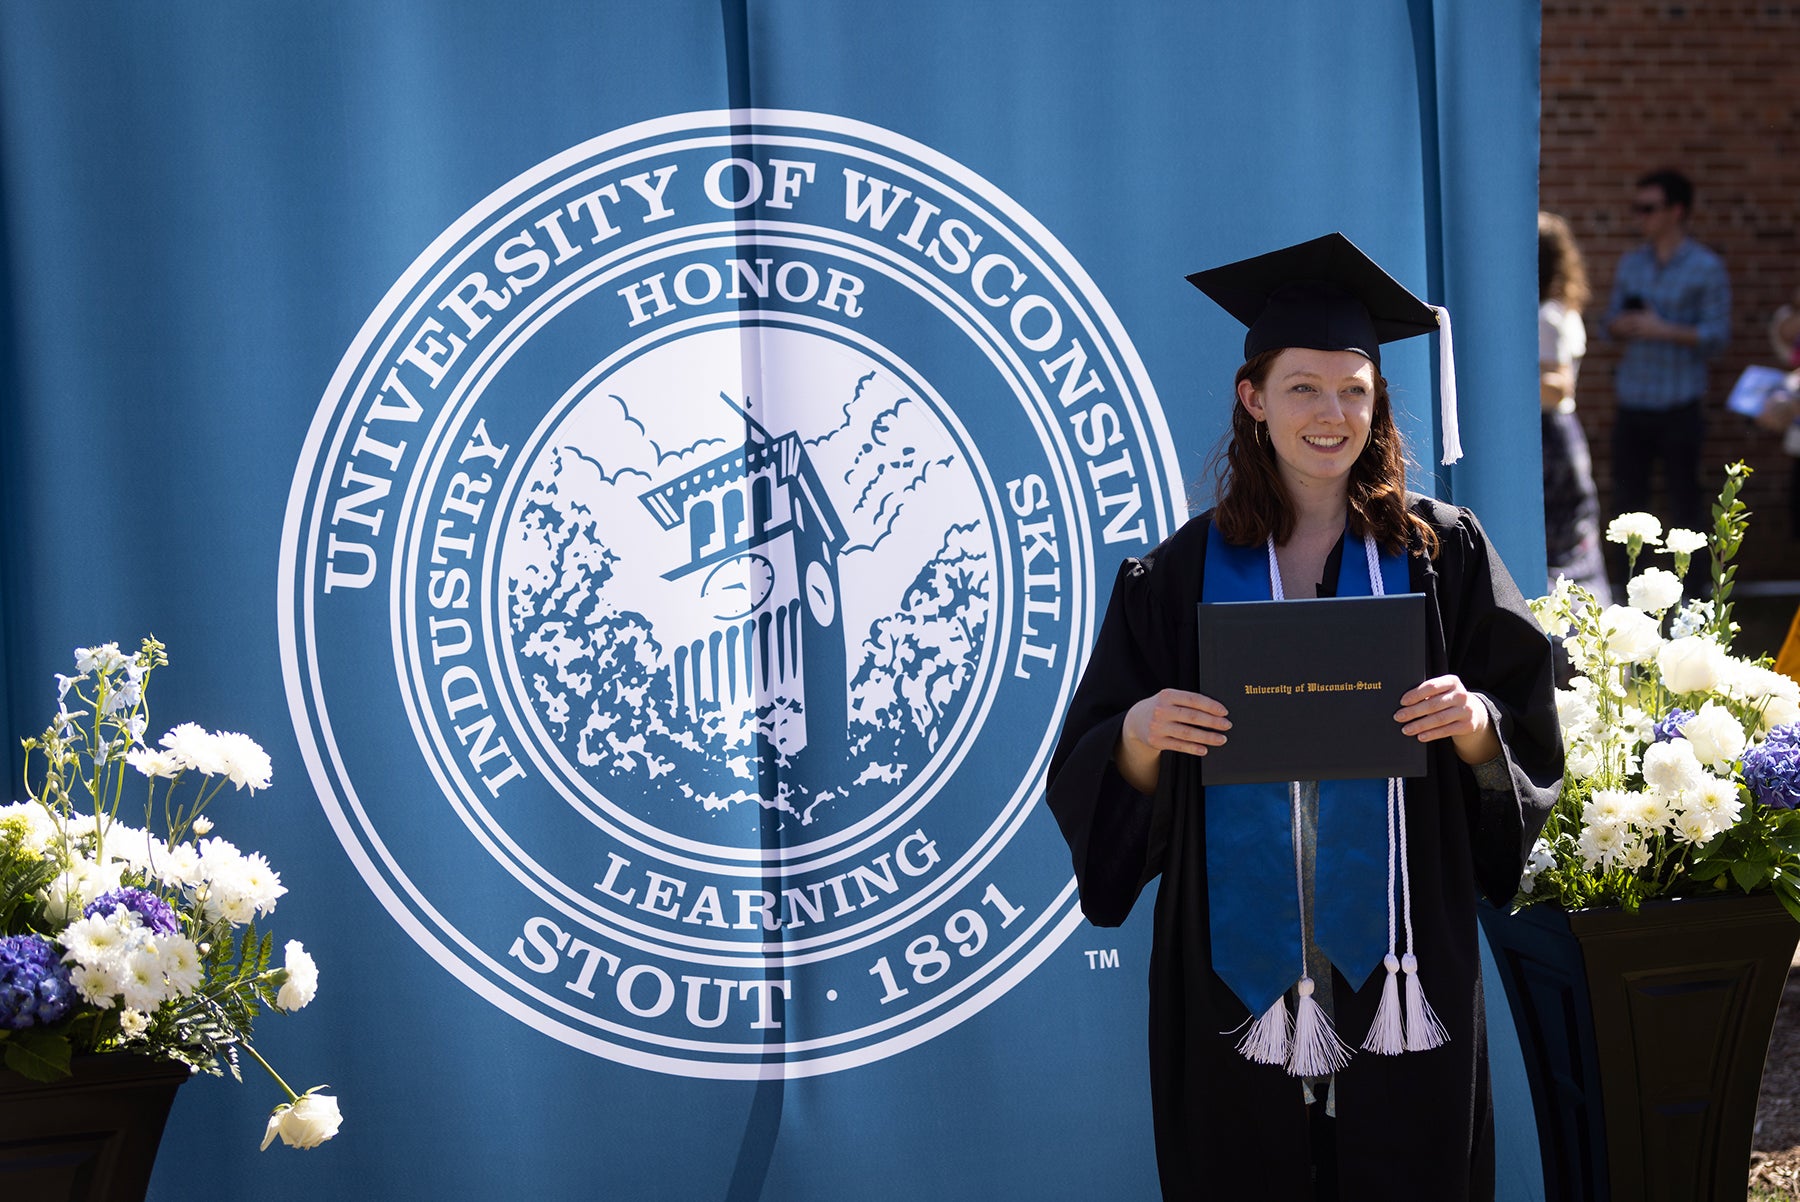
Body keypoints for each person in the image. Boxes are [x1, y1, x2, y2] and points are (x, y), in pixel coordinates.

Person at [1047, 233, 1562, 1201]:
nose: (1332, 415)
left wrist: (1475, 722)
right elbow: (1095, 752)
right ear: (1252, 397)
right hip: (1238, 956)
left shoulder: (1442, 552)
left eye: (1354, 390)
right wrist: (1140, 733)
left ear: (1377, 401)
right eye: (1302, 388)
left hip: (1403, 942)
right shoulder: (1179, 574)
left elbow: (1523, 729)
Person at [1601, 168, 1731, 536]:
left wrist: (1664, 330)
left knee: (1684, 501)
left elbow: (1718, 336)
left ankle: (1693, 591)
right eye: (1636, 208)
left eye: (1648, 208)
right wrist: (1620, 325)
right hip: (1633, 401)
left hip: (1680, 403)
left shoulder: (1706, 267)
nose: (1639, 216)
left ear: (1676, 211)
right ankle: (1630, 587)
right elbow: (1607, 324)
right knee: (1627, 505)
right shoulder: (1631, 263)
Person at [1538, 212, 1612, 602]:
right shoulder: (1560, 309)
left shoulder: (1548, 316)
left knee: (1563, 547)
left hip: (1551, 436)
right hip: (1564, 434)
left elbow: (1557, 386)